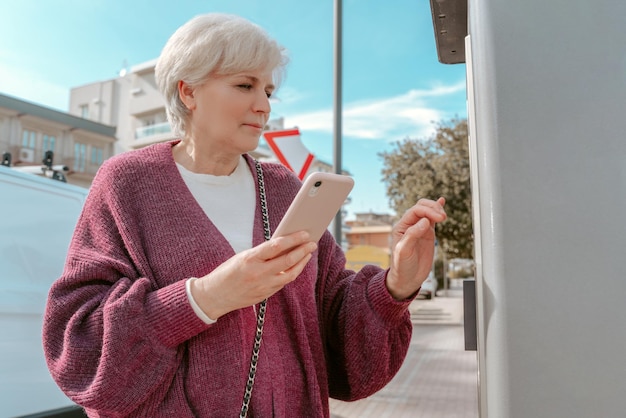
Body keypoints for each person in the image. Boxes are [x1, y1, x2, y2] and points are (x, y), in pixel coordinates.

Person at [43, 13, 447, 418]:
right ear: (188, 91)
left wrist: (396, 284)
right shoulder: (126, 182)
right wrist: (207, 297)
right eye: (244, 85)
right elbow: (79, 342)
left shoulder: (284, 188)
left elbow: (330, 315)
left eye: (269, 90)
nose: (264, 105)